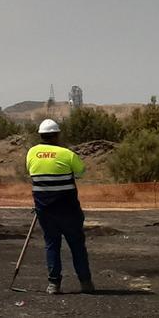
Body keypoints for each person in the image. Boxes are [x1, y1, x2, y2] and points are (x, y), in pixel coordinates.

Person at [26, 118, 94, 294]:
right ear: (56, 135)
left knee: (51, 245)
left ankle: (53, 284)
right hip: (69, 210)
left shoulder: (32, 153)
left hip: (45, 210)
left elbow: (30, 171)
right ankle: (85, 282)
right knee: (77, 245)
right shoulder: (67, 154)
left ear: (41, 135)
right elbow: (81, 172)